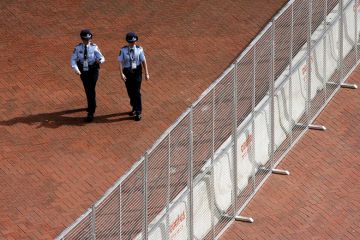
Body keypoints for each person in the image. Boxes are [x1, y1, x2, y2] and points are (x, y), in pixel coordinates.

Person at [70, 29, 105, 122]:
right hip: (83, 70)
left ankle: (91, 112)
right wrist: (76, 70)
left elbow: (102, 57)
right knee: (88, 88)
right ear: (82, 39)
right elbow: (73, 59)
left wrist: (100, 60)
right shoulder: (77, 48)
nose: (87, 41)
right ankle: (92, 104)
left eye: (89, 39)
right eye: (85, 39)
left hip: (93, 69)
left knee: (90, 87)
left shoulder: (94, 47)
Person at [118, 32, 150, 121]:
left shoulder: (139, 49)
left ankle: (138, 111)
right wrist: (121, 73)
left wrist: (146, 73)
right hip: (127, 71)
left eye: (134, 42)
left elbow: (143, 61)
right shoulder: (123, 50)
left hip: (137, 72)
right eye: (131, 42)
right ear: (128, 41)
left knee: (136, 92)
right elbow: (120, 62)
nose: (133, 43)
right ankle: (134, 106)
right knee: (130, 91)